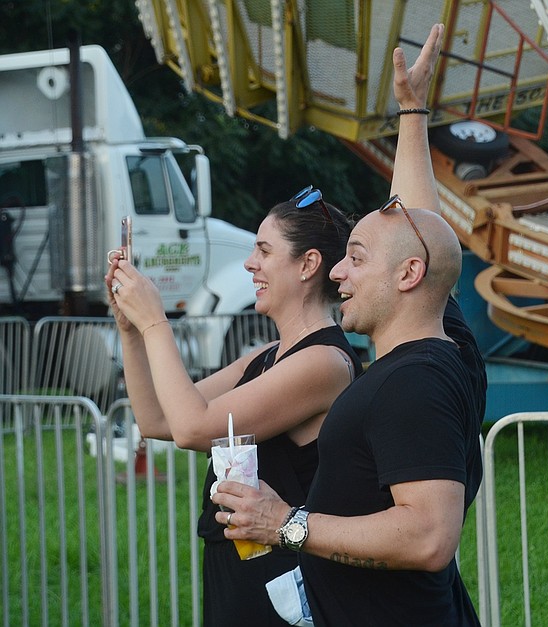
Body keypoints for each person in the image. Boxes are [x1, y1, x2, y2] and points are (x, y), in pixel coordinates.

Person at [212, 23, 487, 626]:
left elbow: (428, 535)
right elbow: (416, 227)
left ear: (409, 277)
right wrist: (411, 110)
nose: (338, 271)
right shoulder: (445, 345)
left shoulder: (414, 382)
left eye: (355, 258)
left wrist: (284, 524)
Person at [105, 181, 363, 623]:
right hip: (240, 571)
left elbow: (192, 428)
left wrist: (155, 321)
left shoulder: (325, 362)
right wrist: (131, 329)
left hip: (282, 584)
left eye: (263, 251)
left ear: (308, 264)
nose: (250, 263)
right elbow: (156, 420)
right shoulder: (266, 356)